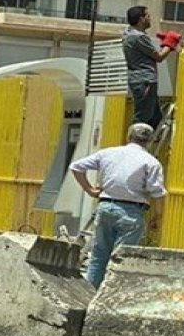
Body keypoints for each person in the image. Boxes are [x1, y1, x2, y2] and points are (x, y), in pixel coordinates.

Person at [69, 123, 167, 288]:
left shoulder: (108, 153)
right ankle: (110, 296)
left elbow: (76, 167)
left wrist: (89, 189)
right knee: (121, 260)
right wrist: (157, 217)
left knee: (99, 256)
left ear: (129, 137)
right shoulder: (151, 162)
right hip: (132, 212)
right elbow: (158, 192)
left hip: (106, 206)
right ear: (150, 141)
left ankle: (89, 295)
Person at [122, 5, 182, 130]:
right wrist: (169, 43)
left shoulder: (128, 34)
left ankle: (148, 140)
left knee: (155, 117)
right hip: (145, 81)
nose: (150, 19)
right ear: (141, 19)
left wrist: (165, 42)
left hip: (140, 80)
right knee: (143, 116)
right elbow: (159, 57)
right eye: (148, 16)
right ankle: (135, 142)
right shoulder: (138, 37)